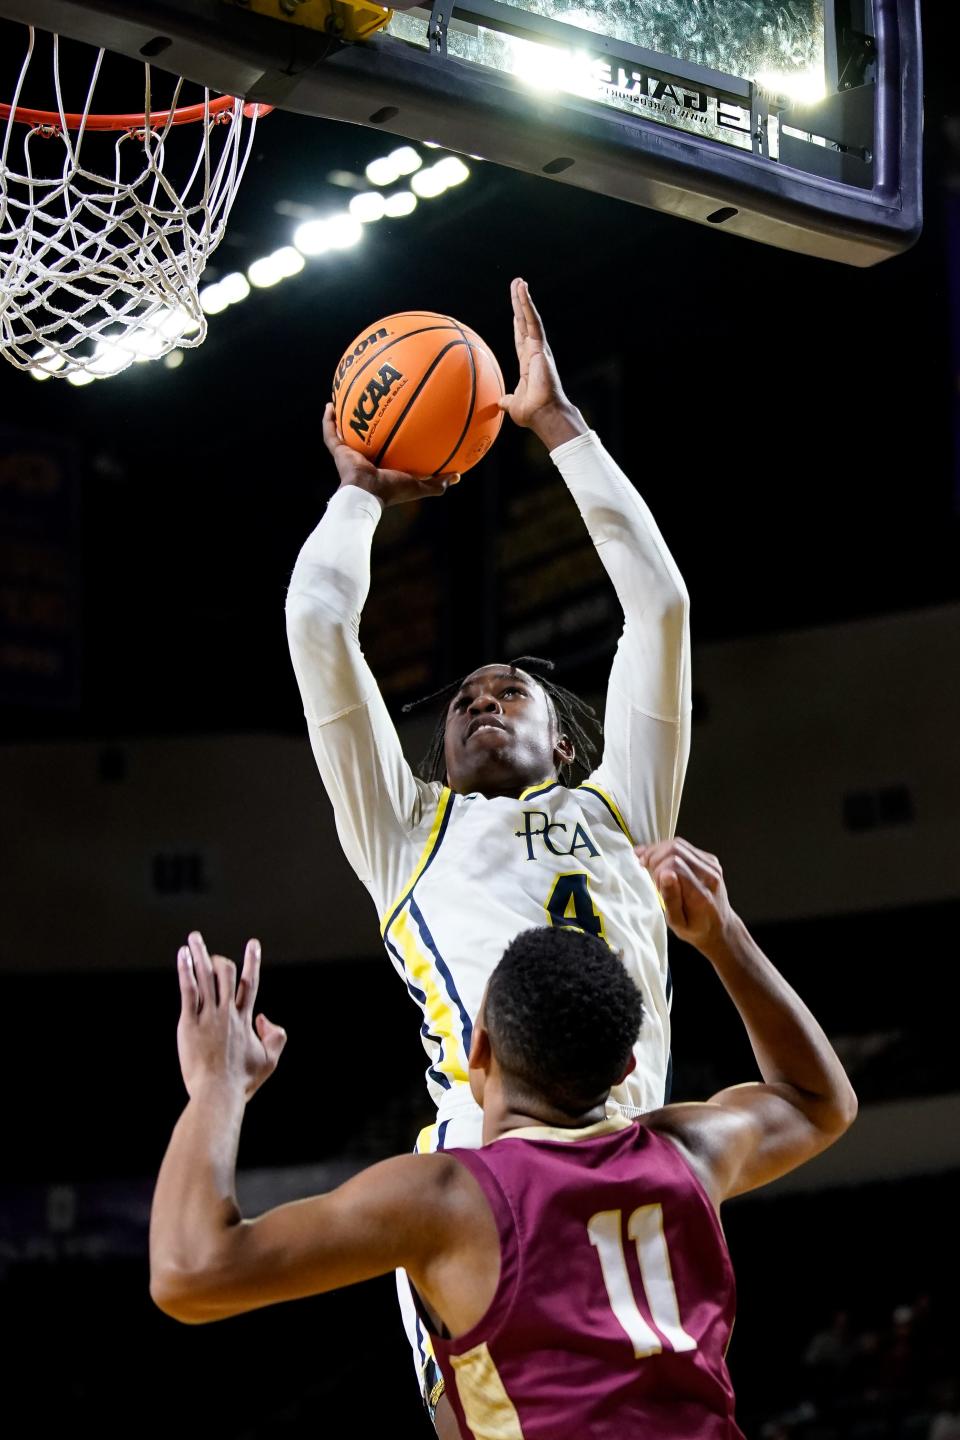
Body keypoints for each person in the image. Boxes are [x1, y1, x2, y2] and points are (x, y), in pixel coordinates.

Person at [285, 277, 690, 1415]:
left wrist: (561, 429)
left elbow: (657, 607)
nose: (478, 700)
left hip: (635, 1159)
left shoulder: (625, 807)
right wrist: (359, 494)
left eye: (507, 691)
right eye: (463, 697)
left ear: (564, 741)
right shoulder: (403, 832)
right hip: (487, 1179)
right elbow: (320, 623)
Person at [150, 838, 858, 1440]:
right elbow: (819, 1100)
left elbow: (191, 1273)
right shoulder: (691, 1151)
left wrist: (217, 1085)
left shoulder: (449, 1201)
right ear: (627, 1068)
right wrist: (722, 934)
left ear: (476, 1048)